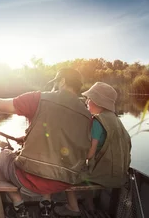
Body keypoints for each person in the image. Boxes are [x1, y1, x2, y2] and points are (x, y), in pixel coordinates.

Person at [0, 68, 92, 218]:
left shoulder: (39, 99)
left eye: (57, 82)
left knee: (1, 157)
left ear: (63, 81)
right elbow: (62, 138)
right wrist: (27, 137)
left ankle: (18, 203)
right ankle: (46, 202)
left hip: (29, 180)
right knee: (55, 160)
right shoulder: (87, 114)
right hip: (65, 182)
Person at [53, 82, 132, 217]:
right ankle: (90, 205)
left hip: (104, 175)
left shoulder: (97, 121)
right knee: (86, 170)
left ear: (97, 102)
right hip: (120, 175)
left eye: (89, 99)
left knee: (65, 173)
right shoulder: (117, 121)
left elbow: (89, 154)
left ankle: (73, 208)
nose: (87, 101)